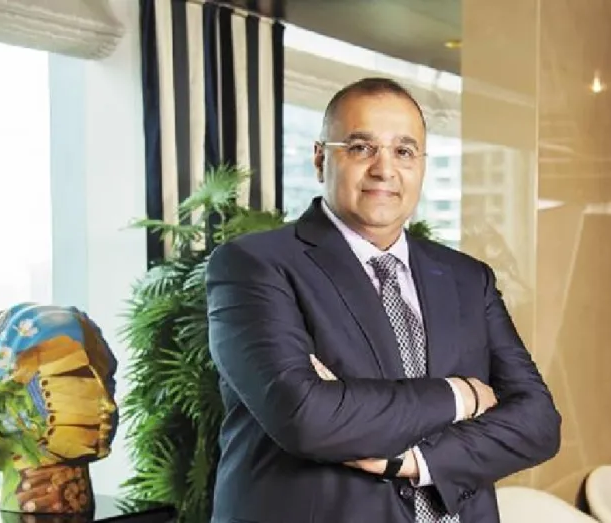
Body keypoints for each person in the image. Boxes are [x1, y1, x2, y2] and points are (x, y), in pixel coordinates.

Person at [206, 77, 562, 523]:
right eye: (361, 148)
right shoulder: (254, 265)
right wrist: (462, 395)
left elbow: (538, 422)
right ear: (320, 158)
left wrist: (415, 461)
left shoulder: (468, 279)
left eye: (404, 151)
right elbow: (306, 417)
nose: (384, 169)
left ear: (422, 166)